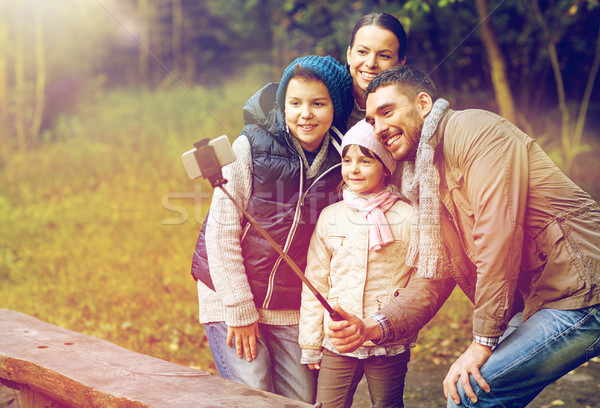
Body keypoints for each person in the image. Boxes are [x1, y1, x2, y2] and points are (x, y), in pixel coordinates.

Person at [325, 65, 600, 407]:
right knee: (474, 393)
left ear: (423, 104)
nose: (379, 128)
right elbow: (435, 277)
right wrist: (373, 327)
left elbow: (498, 233)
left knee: (470, 396)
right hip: (543, 301)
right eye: (372, 121)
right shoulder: (424, 179)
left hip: (583, 290)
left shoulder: (474, 131)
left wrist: (482, 340)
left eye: (387, 111)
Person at [191, 55, 353, 403]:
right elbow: (220, 234)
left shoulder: (345, 161)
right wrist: (239, 310)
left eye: (317, 104)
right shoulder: (249, 146)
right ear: (283, 104)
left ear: (335, 108)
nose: (305, 114)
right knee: (256, 392)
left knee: (303, 398)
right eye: (294, 103)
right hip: (229, 293)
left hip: (289, 305)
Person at [299, 119, 415, 408]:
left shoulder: (409, 217)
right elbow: (315, 282)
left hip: (386, 339)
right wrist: (311, 344)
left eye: (365, 160)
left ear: (386, 167)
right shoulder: (331, 216)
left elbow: (419, 283)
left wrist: (402, 324)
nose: (353, 168)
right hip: (339, 338)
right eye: (347, 160)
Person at [345, 12, 407, 130]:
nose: (370, 63)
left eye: (384, 56)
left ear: (400, 63)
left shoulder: (407, 108)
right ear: (349, 55)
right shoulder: (328, 96)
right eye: (362, 52)